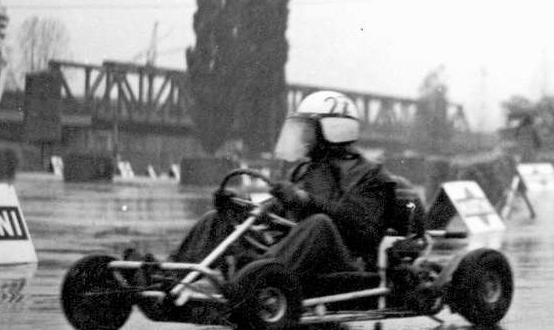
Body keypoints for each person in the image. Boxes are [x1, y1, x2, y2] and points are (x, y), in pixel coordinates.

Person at [163, 90, 396, 280]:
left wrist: (306, 202)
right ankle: (168, 276)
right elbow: (273, 211)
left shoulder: (371, 175)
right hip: (294, 254)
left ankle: (257, 278)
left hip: (347, 263)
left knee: (319, 224)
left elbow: (363, 230)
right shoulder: (306, 170)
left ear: (333, 129)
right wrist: (238, 206)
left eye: (308, 129)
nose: (303, 136)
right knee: (217, 219)